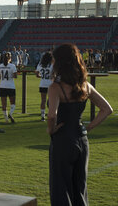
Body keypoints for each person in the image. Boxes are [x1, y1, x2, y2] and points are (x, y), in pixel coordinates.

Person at [48, 44, 112, 206]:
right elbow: (106, 109)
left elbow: (51, 115)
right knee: (80, 187)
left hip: (63, 139)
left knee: (61, 187)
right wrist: (88, 127)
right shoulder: (85, 85)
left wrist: (51, 129)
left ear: (59, 62)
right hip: (81, 139)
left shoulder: (56, 87)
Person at [0, 53, 17, 123]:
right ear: (10, 58)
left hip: (2, 86)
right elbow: (15, 76)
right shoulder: (12, 66)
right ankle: (10, 114)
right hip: (11, 86)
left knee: (4, 104)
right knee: (13, 103)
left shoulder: (0, 66)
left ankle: (6, 120)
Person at [35, 52, 53, 121]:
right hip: (50, 84)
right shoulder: (52, 65)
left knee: (43, 100)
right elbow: (54, 75)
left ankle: (42, 115)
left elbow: (36, 74)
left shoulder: (40, 65)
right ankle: (51, 114)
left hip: (42, 84)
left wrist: (42, 76)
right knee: (51, 101)